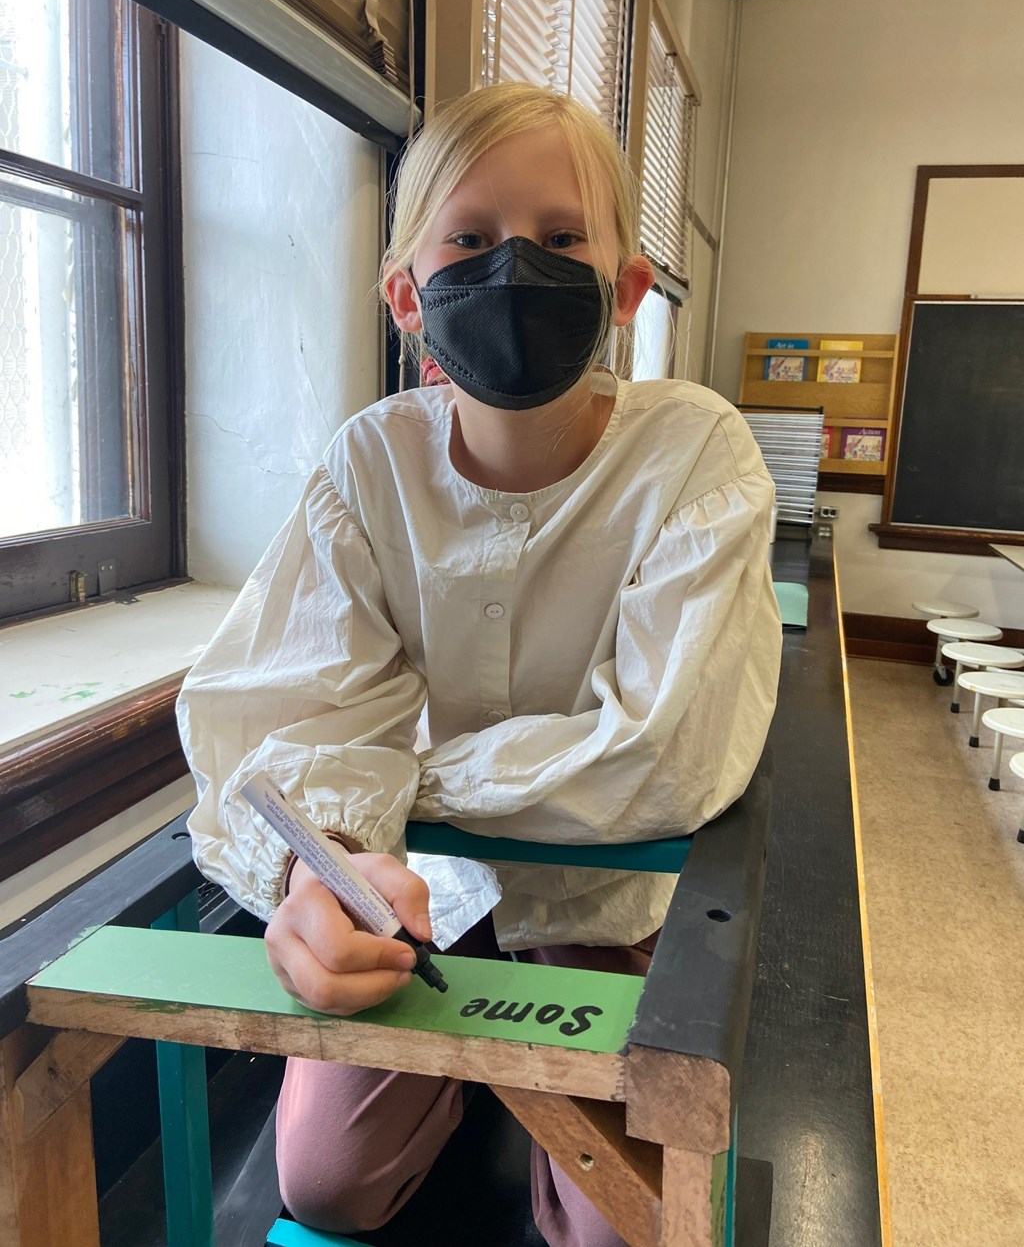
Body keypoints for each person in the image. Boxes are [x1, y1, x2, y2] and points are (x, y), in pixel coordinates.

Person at [177, 80, 782, 1246]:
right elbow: (280, 712)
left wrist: (398, 783)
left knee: (623, 1226)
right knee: (324, 1182)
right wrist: (323, 865)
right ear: (408, 295)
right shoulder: (371, 463)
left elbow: (663, 756)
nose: (514, 268)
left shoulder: (693, 452)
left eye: (561, 238)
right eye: (468, 239)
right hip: (419, 889)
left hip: (606, 891)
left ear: (625, 290)